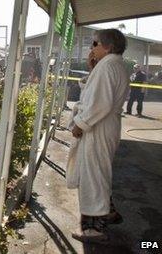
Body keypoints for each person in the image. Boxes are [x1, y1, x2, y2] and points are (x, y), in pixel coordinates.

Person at [67, 29, 130, 243]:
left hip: (98, 126)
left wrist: (81, 124)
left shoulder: (109, 66)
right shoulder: (109, 65)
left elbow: (100, 103)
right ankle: (108, 212)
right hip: (104, 125)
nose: (91, 48)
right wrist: (92, 68)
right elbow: (93, 92)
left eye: (95, 44)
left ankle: (95, 229)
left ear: (108, 47)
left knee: (93, 176)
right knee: (99, 172)